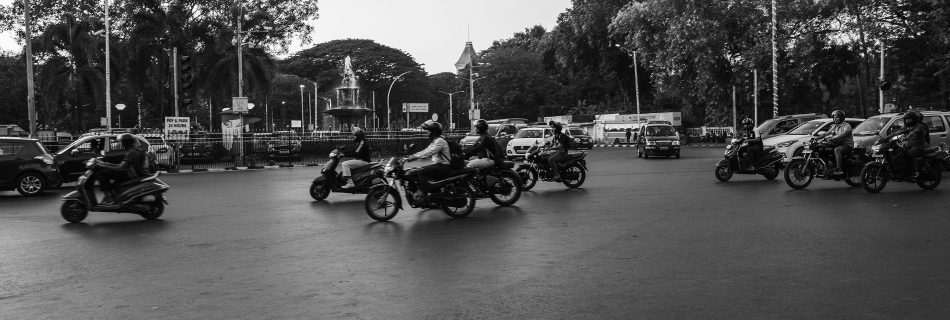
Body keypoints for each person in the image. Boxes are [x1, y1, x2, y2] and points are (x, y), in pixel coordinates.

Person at [404, 120, 452, 202]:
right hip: (438, 164)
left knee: (421, 172)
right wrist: (412, 156)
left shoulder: (440, 141)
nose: (428, 133)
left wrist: (414, 157)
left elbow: (430, 153)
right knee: (416, 171)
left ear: (434, 132)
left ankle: (423, 194)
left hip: (443, 166)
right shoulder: (436, 140)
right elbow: (426, 150)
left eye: (429, 131)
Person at [96, 133, 148, 205]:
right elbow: (123, 165)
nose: (121, 144)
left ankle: (108, 197)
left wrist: (104, 166)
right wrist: (108, 164)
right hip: (133, 172)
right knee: (110, 175)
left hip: (132, 175)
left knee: (102, 173)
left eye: (122, 142)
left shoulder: (131, 152)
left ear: (126, 143)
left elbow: (121, 168)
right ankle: (114, 196)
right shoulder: (135, 150)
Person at [881, 110, 929, 177]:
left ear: (913, 119)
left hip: (919, 146)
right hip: (909, 145)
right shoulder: (907, 126)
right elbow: (896, 133)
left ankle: (915, 171)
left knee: (909, 154)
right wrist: (885, 139)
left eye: (909, 119)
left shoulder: (920, 126)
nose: (907, 121)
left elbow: (913, 132)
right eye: (906, 119)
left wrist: (906, 137)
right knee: (898, 153)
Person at [817, 110, 853, 176]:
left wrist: (834, 138)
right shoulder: (834, 126)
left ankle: (839, 169)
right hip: (838, 144)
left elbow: (845, 133)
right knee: (822, 148)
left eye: (836, 117)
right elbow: (826, 133)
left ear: (841, 118)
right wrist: (817, 138)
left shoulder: (846, 125)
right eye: (833, 117)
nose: (834, 119)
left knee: (837, 150)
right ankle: (827, 166)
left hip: (847, 145)